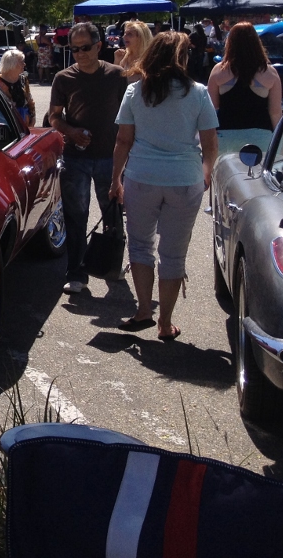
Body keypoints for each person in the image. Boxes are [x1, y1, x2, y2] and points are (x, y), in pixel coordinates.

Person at [110, 32, 219, 341]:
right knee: (173, 254)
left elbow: (122, 140)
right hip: (185, 180)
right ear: (182, 58)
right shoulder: (198, 93)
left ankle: (144, 310)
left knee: (140, 245)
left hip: (142, 177)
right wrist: (206, 173)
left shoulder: (135, 92)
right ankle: (165, 324)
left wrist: (116, 178)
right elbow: (210, 144)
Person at [48, 21, 129, 295]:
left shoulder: (117, 76)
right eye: (74, 49)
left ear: (99, 46)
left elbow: (129, 119)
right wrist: (71, 131)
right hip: (76, 158)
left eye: (85, 48)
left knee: (113, 213)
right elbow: (54, 117)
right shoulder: (63, 79)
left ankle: (111, 265)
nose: (80, 54)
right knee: (76, 215)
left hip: (111, 157)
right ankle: (76, 272)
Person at [207, 21, 283, 154]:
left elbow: (212, 108)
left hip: (227, 138)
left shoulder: (218, 71)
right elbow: (275, 112)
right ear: (256, 42)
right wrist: (281, 146)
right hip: (261, 138)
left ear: (230, 42)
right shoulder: (269, 73)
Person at [0, 48, 35, 128]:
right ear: (12, 64)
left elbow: (29, 99)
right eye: (21, 62)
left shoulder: (23, 79)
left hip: (25, 123)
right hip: (5, 124)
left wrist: (33, 116)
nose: (24, 64)